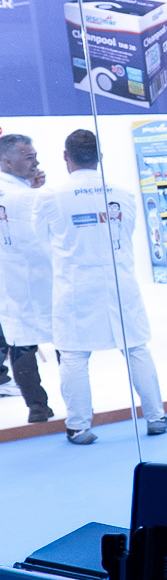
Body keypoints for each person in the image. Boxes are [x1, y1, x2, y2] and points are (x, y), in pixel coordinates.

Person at [33, 129, 167, 444]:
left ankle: (79, 426)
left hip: (75, 284)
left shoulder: (50, 196)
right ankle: (156, 417)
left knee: (73, 354)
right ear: (100, 157)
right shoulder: (122, 192)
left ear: (66, 156)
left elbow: (41, 242)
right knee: (136, 347)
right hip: (119, 280)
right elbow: (128, 231)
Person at [0, 132, 56, 422]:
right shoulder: (32, 198)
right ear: (6, 161)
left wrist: (31, 187)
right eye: (28, 157)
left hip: (9, 283)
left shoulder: (25, 192)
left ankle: (36, 407)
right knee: (66, 342)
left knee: (20, 341)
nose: (36, 162)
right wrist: (35, 191)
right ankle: (78, 406)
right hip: (41, 276)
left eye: (35, 156)